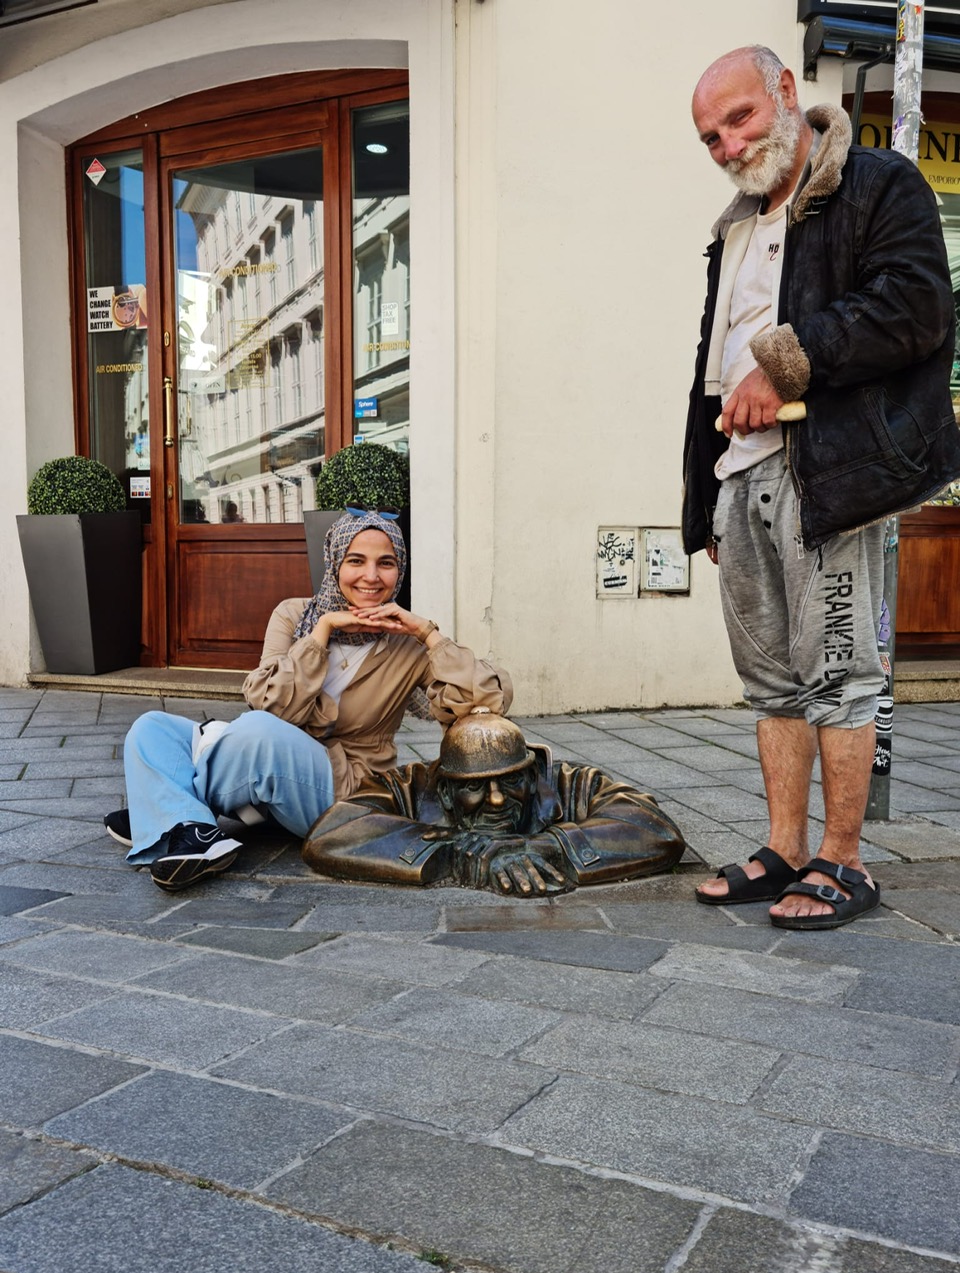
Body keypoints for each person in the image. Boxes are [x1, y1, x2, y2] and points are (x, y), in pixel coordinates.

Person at [684, 46, 960, 930]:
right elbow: (712, 372)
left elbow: (915, 308)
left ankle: (845, 860)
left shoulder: (879, 184)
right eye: (710, 135)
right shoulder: (732, 225)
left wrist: (787, 364)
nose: (727, 144)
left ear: (787, 95)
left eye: (740, 118)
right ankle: (786, 847)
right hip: (740, 477)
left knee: (839, 674)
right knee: (769, 681)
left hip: (830, 474)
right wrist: (704, 500)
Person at [105, 510, 511, 892]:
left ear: (399, 570)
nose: (371, 576)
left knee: (254, 732)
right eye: (356, 561)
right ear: (334, 564)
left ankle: (169, 813)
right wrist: (322, 632)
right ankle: (188, 828)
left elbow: (489, 697)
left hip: (342, 787)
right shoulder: (294, 615)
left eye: (385, 563)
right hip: (264, 756)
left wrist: (428, 634)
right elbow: (270, 700)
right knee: (151, 727)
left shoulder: (408, 644)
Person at [302, 709, 685, 895]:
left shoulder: (570, 782)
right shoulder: (409, 785)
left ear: (531, 775)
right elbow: (332, 833)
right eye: (476, 788)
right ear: (447, 790)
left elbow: (654, 829)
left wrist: (542, 846)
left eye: (512, 781)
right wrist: (454, 850)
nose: (498, 800)